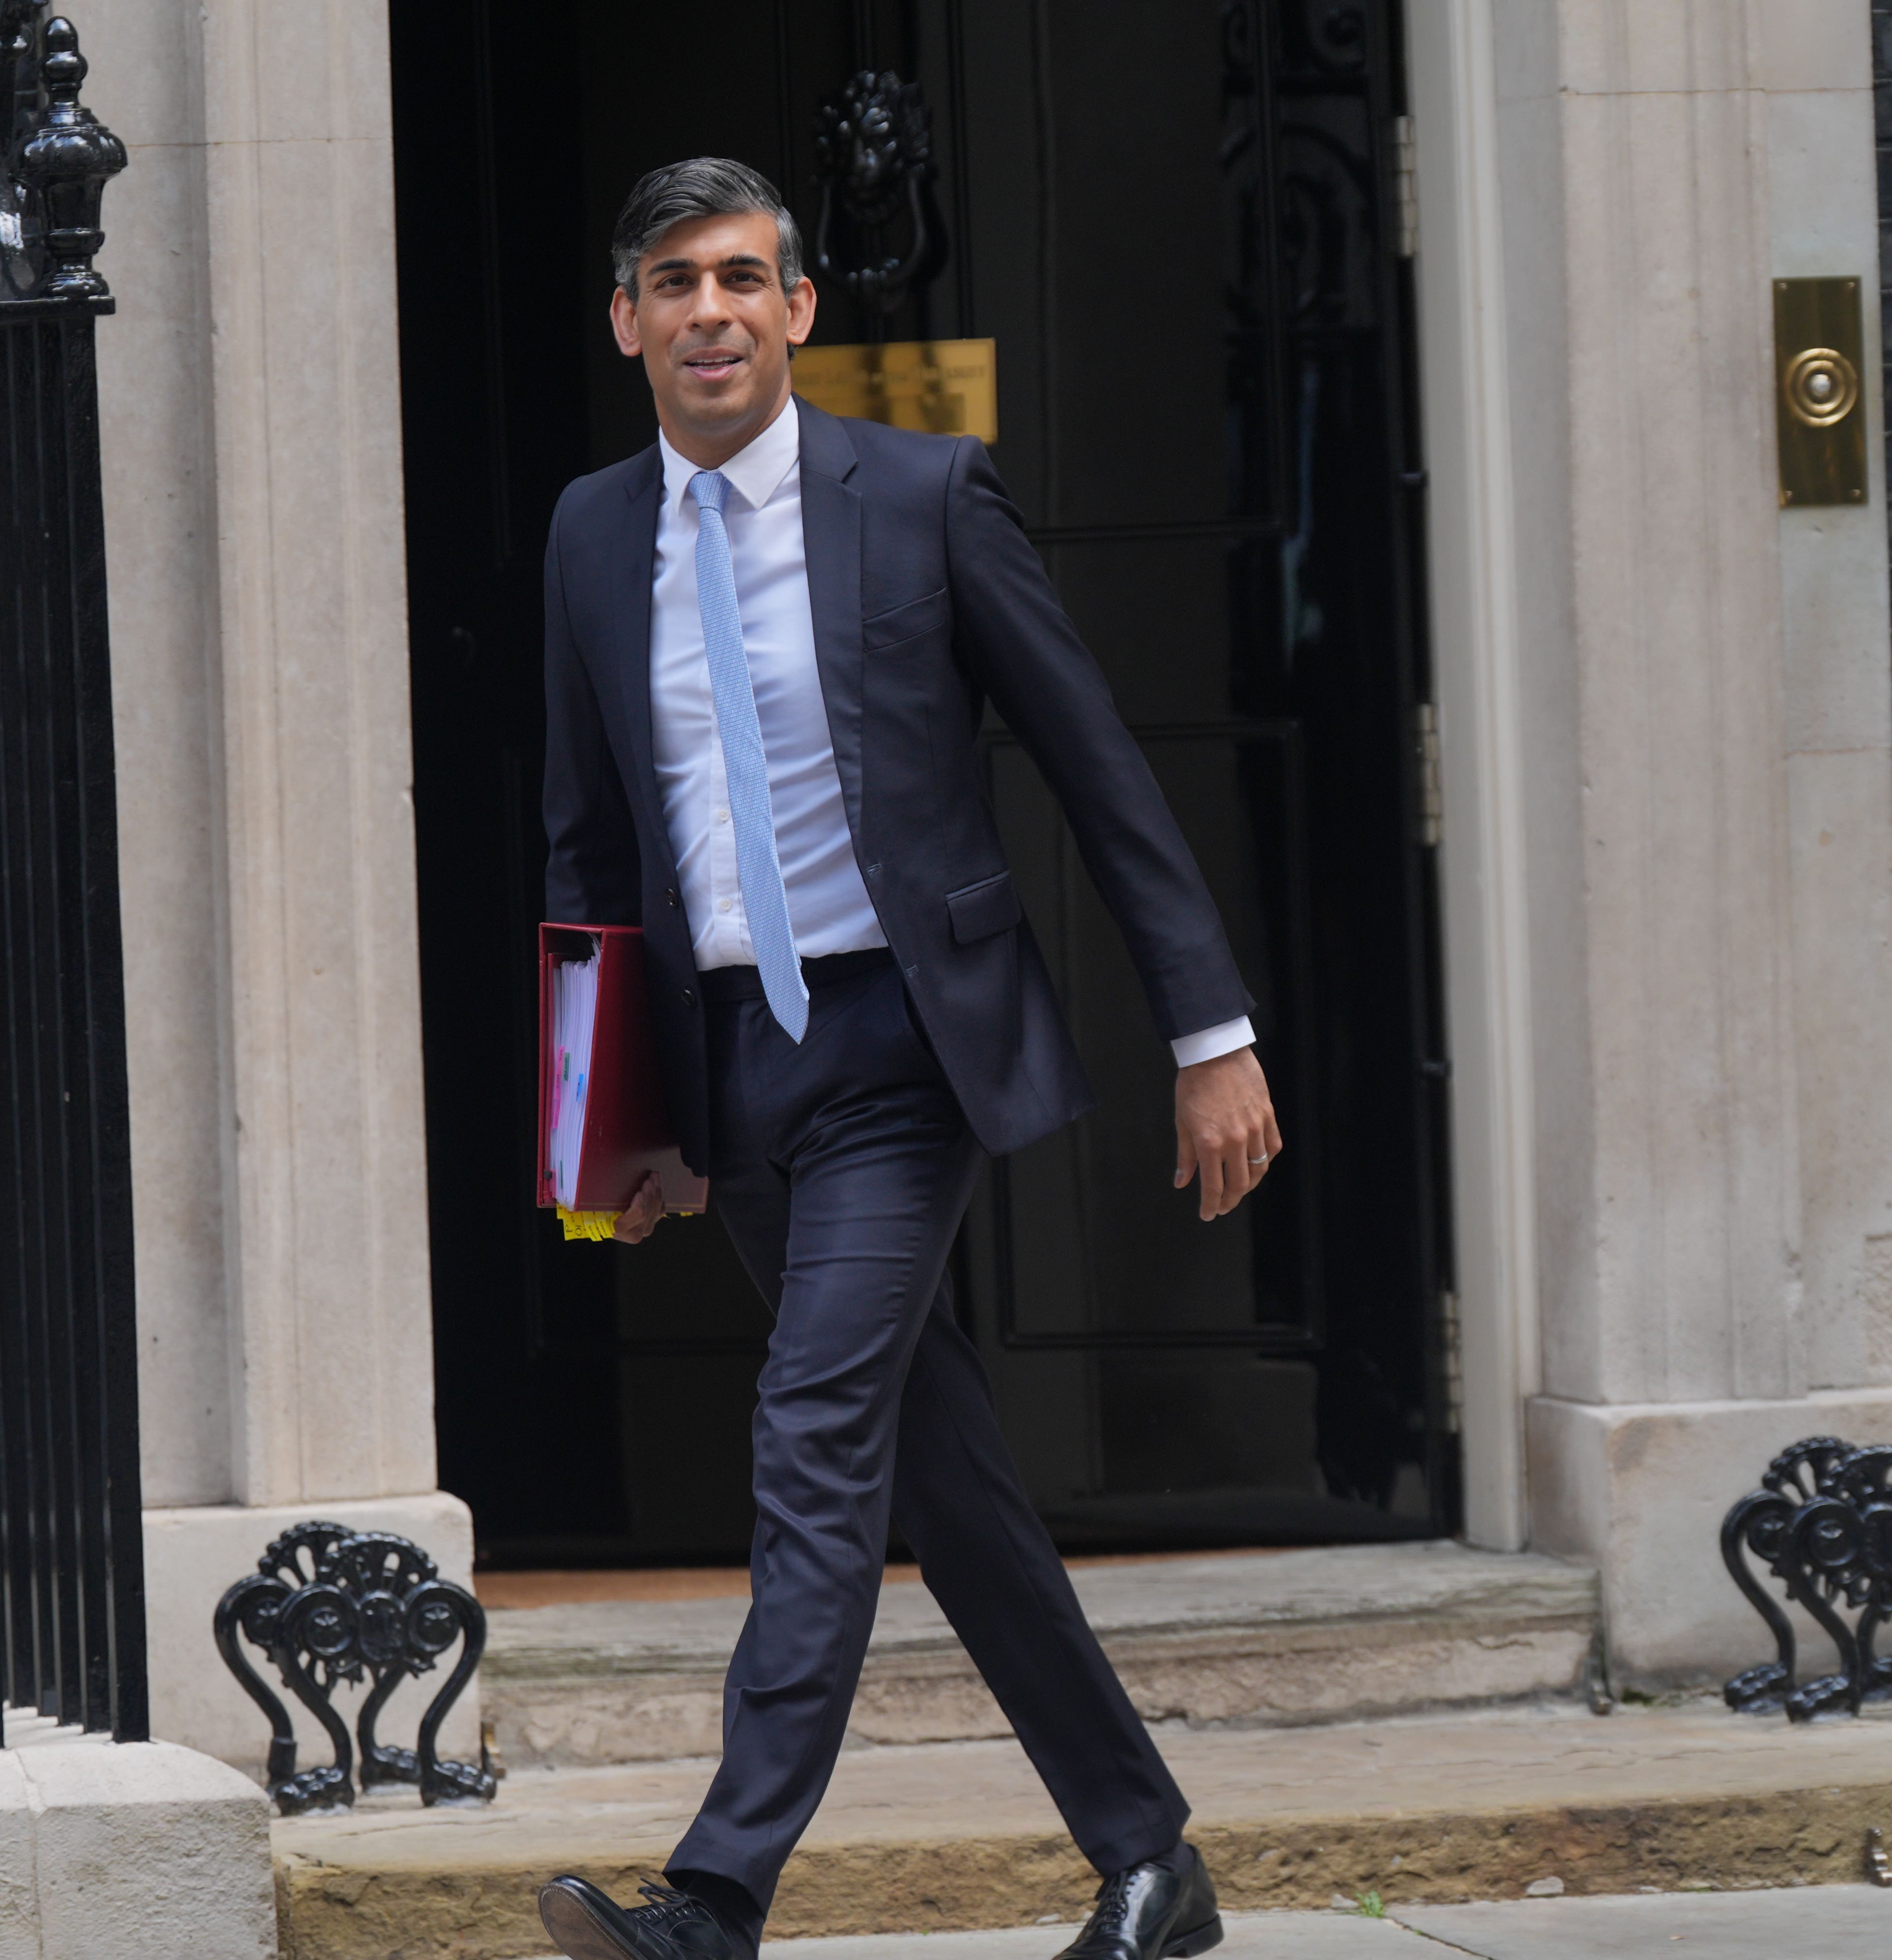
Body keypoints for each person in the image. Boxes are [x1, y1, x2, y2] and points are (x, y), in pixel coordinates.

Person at [532, 157, 1275, 1960]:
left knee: (809, 1427)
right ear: (626, 323)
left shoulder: (926, 497)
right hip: (728, 1066)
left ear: (796, 308)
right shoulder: (585, 530)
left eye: (742, 276)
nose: (709, 309)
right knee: (940, 1477)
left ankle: (717, 1893)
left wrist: (1213, 1032)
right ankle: (1149, 1861)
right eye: (671, 282)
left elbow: (1096, 762)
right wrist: (595, 1139)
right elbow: (580, 846)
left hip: (903, 1045)